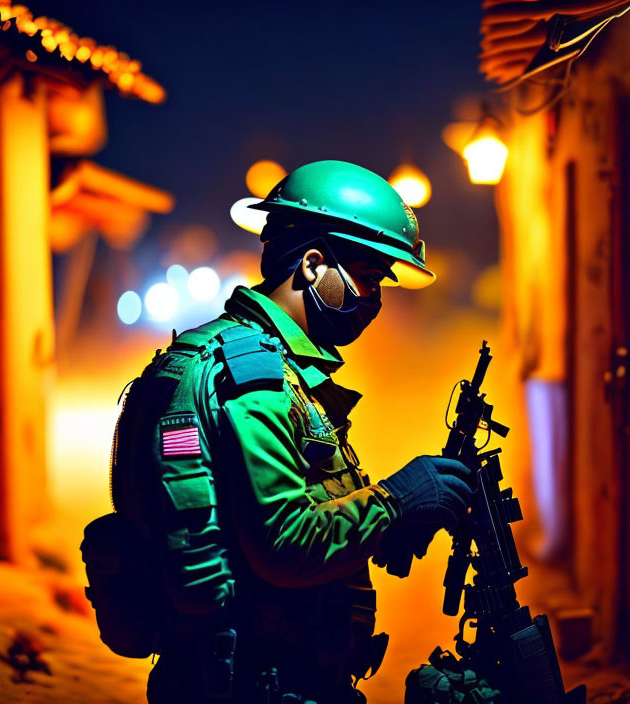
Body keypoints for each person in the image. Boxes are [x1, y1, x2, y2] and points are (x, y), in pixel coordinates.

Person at [116, 161, 474, 704]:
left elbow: (271, 508)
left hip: (261, 672)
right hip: (256, 680)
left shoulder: (265, 364)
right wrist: (396, 501)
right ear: (311, 265)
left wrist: (381, 531)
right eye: (369, 276)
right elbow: (283, 542)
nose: (374, 299)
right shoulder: (252, 376)